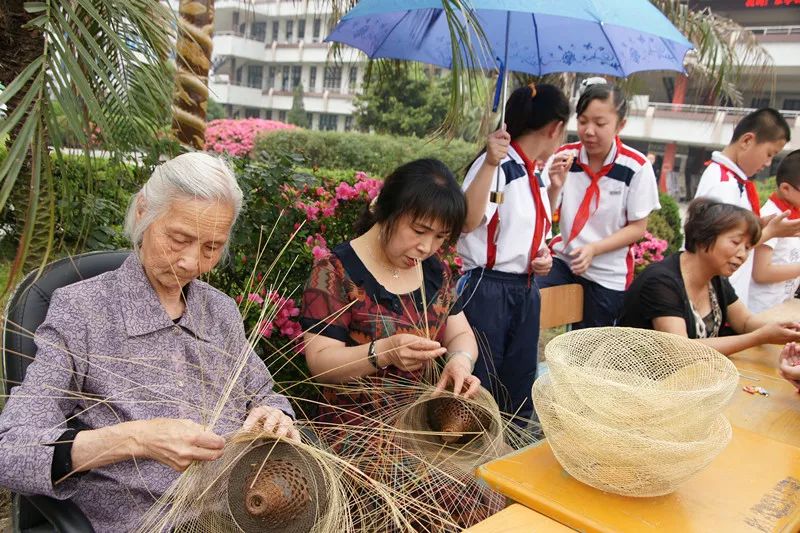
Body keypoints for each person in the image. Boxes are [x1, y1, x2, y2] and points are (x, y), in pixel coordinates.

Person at [0, 153, 298, 533]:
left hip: (236, 514)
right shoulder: (83, 311)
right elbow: (10, 451)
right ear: (144, 212)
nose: (191, 262)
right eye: (179, 239)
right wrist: (135, 439)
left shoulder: (219, 311)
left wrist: (275, 416)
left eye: (211, 247)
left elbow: (264, 393)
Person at [300, 159, 481, 445]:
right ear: (387, 210)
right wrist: (383, 353)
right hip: (353, 439)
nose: (426, 247)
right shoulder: (335, 272)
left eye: (440, 237)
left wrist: (460, 361)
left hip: (422, 434)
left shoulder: (435, 271)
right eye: (419, 231)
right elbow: (320, 361)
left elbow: (460, 332)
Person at [456, 83, 569, 422]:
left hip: (524, 290)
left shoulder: (534, 172)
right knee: (483, 383)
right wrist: (490, 162)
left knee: (519, 383)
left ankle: (507, 458)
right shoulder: (498, 166)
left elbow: (533, 236)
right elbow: (467, 221)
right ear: (555, 128)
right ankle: (471, 461)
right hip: (486, 290)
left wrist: (543, 257)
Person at [538, 79, 660, 328]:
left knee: (590, 352)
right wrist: (554, 186)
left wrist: (594, 249)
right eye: (583, 121)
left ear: (620, 124)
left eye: (600, 123)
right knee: (529, 303)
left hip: (607, 274)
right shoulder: (564, 158)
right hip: (564, 261)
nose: (589, 131)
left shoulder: (636, 167)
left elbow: (637, 228)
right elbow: (543, 215)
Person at [620, 198, 800, 355]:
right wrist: (758, 338)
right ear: (703, 238)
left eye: (747, 247)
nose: (742, 254)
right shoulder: (660, 282)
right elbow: (680, 351)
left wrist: (785, 330)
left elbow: (745, 322)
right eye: (736, 242)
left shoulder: (715, 278)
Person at [694, 107, 792, 304]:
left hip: (726, 295)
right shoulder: (723, 184)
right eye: (769, 154)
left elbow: (733, 233)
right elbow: (720, 247)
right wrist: (771, 232)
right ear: (747, 141)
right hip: (715, 296)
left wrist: (760, 226)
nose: (768, 163)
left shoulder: (734, 181)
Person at [749, 150, 800, 313]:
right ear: (785, 188)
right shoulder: (772, 217)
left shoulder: (793, 213)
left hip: (780, 309)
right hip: (761, 311)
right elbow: (761, 273)